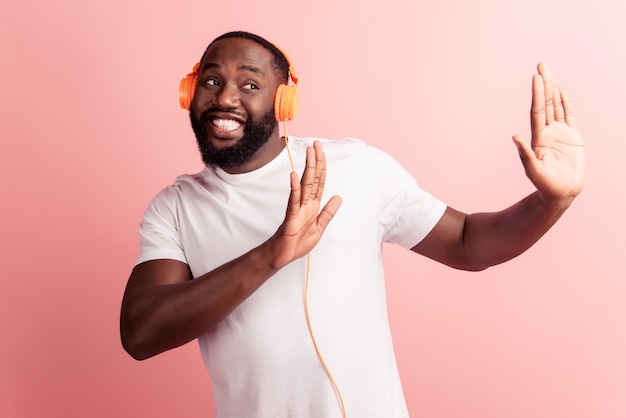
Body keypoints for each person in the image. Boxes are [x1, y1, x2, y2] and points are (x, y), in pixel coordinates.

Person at [120, 31, 585, 418]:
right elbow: (141, 334)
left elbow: (466, 242)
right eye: (212, 81)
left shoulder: (355, 164)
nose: (225, 98)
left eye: (249, 85)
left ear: (284, 102)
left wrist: (551, 200)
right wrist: (269, 256)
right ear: (189, 92)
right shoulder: (174, 207)